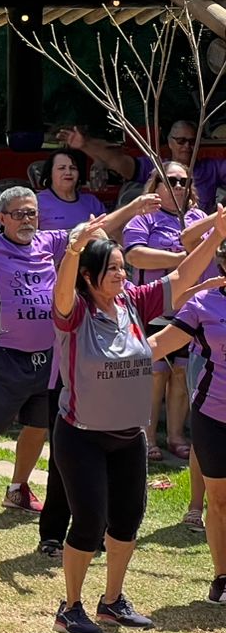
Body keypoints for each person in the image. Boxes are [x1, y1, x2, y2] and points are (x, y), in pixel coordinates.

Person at [0, 187, 156, 515]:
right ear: (2, 218)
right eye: (19, 214)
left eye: (32, 213)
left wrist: (135, 205)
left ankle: (18, 487)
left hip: (49, 355)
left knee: (37, 426)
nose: (27, 220)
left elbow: (96, 230)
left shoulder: (48, 241)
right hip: (3, 353)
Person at [48, 212, 221, 633]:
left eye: (124, 268)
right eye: (113, 269)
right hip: (81, 435)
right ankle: (70, 606)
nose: (122, 275)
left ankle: (112, 601)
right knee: (89, 522)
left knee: (127, 520)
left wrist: (218, 234)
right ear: (88, 276)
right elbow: (61, 292)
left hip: (128, 436)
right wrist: (74, 248)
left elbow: (181, 277)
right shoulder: (75, 312)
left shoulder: (131, 302)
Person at [149, 246, 226, 604]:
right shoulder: (203, 305)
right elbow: (158, 344)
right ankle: (222, 578)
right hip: (214, 415)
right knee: (220, 501)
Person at [123, 163, 209, 460]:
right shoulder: (145, 217)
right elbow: (134, 255)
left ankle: (175, 435)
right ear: (156, 184)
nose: (179, 186)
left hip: (190, 308)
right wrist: (179, 260)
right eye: (171, 180)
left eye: (184, 181)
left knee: (182, 373)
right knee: (154, 373)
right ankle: (146, 437)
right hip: (153, 306)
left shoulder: (197, 218)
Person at [64, 120, 226, 211]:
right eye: (181, 141)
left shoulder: (211, 168)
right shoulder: (155, 165)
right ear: (170, 142)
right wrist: (85, 144)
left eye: (192, 141)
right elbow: (119, 162)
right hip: (161, 234)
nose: (187, 146)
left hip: (200, 234)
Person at [36, 147, 107, 231]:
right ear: (50, 173)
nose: (68, 173)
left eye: (73, 168)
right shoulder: (37, 202)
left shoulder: (91, 201)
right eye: (61, 168)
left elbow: (110, 229)